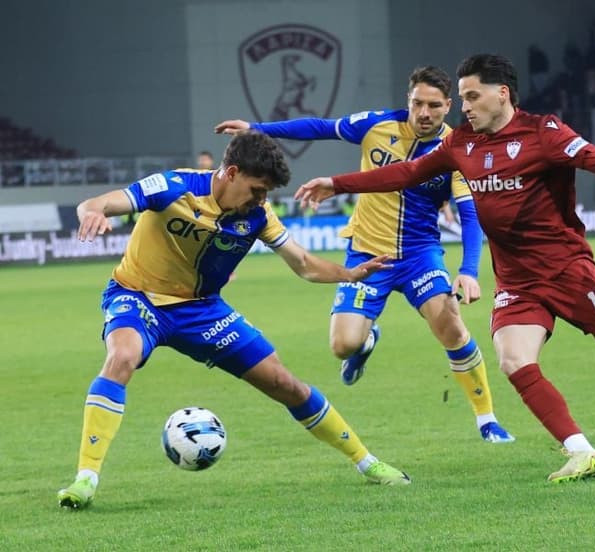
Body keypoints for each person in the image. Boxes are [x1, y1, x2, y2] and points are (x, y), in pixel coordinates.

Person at [294, 54, 595, 484]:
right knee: (514, 360)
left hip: (567, 270)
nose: (465, 107)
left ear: (502, 94)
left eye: (472, 97)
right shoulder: (462, 143)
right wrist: (337, 183)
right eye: (463, 98)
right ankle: (582, 452)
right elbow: (407, 173)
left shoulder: (543, 133)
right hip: (517, 279)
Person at [57, 131, 410, 510]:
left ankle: (367, 462)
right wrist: (92, 211)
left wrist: (349, 274)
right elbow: (101, 202)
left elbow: (304, 264)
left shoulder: (258, 216)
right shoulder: (174, 186)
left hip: (202, 309)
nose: (261, 199)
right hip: (138, 296)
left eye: (266, 192)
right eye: (257, 189)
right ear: (232, 173)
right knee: (122, 357)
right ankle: (86, 478)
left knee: (285, 383)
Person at [215, 66, 514, 443]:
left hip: (419, 255)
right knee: (343, 346)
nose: (424, 113)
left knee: (450, 324)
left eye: (434, 106)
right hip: (367, 253)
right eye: (417, 103)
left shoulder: (457, 150)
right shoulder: (376, 125)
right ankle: (366, 342)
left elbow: (470, 215)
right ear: (408, 100)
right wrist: (257, 128)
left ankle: (487, 420)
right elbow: (321, 127)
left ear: (448, 106)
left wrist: (468, 270)